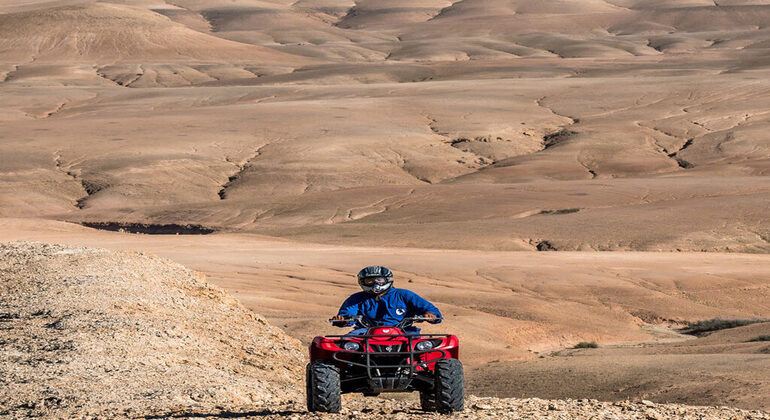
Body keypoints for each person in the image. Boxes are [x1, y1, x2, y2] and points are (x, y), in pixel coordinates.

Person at [332, 265, 441, 335]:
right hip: (366, 333)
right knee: (345, 346)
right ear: (362, 282)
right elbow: (347, 315)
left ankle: (422, 367)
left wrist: (430, 315)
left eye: (379, 280)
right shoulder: (356, 298)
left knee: (425, 349)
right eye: (370, 281)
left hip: (403, 332)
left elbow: (430, 309)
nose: (375, 284)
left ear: (387, 280)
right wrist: (342, 320)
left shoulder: (404, 295)